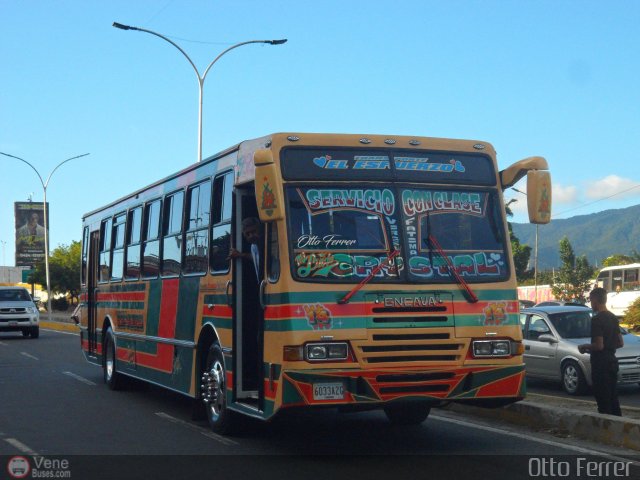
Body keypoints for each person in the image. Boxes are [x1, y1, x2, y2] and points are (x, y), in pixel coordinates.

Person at [578, 287, 624, 416]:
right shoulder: (613, 317)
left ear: (595, 300)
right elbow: (620, 342)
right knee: (613, 397)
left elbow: (599, 346)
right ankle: (618, 425)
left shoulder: (597, 320)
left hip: (601, 364)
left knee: (603, 400)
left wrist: (584, 346)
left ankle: (606, 427)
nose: (590, 303)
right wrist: (609, 346)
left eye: (590, 300)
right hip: (612, 362)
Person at [228, 217, 262, 281]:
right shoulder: (253, 246)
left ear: (259, 229)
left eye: (254, 231)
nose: (251, 236)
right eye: (247, 234)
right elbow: (257, 258)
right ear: (244, 235)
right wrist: (240, 255)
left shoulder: (268, 242)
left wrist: (241, 255)